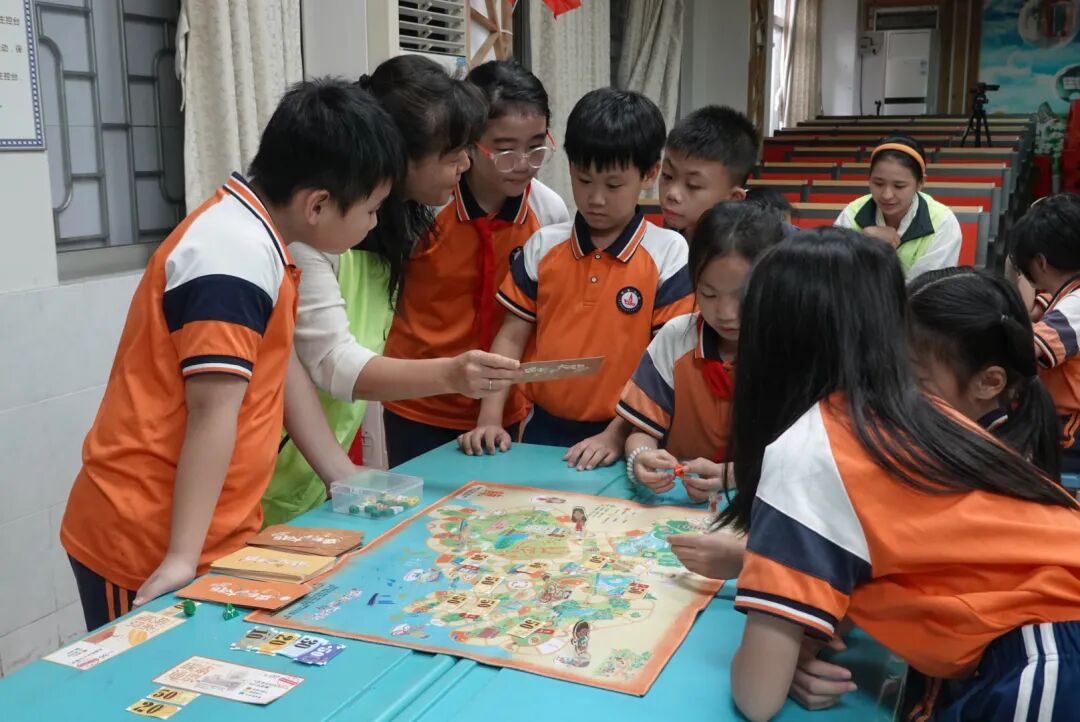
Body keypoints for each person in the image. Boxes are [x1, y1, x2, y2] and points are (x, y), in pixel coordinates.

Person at [60, 80, 403, 629]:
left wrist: (340, 472)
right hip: (148, 540)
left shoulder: (263, 240)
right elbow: (210, 413)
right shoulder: (232, 256)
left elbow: (276, 365)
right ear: (317, 204)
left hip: (212, 532)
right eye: (372, 209)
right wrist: (181, 557)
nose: (374, 224)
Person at [719, 227, 1080, 722]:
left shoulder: (811, 448)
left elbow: (757, 698)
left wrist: (769, 659)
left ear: (769, 343)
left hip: (1048, 657)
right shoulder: (904, 409)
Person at [262, 55, 521, 524]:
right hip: (270, 473)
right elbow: (332, 363)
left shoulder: (395, 224)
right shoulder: (311, 237)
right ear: (399, 159)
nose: (465, 164)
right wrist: (451, 373)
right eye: (452, 155)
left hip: (317, 468)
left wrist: (340, 471)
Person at [458, 88, 694, 469]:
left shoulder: (669, 253)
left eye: (613, 185)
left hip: (631, 433)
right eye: (584, 180)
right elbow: (511, 337)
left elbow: (665, 362)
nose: (596, 198)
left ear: (650, 174)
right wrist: (489, 418)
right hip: (543, 430)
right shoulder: (543, 245)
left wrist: (616, 434)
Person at [381, 59, 570, 467]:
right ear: (468, 142)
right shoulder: (426, 205)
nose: (523, 163)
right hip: (420, 403)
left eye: (536, 147)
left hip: (505, 409)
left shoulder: (548, 212)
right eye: (505, 149)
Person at [620, 202, 782, 500]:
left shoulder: (791, 348)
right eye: (708, 294)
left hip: (761, 502)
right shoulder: (675, 338)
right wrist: (641, 457)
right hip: (677, 499)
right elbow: (642, 432)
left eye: (743, 296)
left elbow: (804, 458)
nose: (726, 314)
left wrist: (736, 474)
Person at [907, 267, 1061, 479]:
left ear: (989, 382)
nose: (893, 388)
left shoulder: (991, 476)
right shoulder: (950, 443)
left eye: (916, 379)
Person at [1008, 193, 1080, 476]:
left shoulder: (1076, 305)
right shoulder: (1063, 294)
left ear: (1040, 262)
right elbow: (1027, 313)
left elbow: (1028, 347)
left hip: (1071, 432)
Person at [834, 135, 962, 278]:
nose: (887, 195)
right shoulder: (851, 214)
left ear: (920, 183)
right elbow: (835, 277)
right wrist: (861, 243)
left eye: (899, 186)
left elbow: (929, 286)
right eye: (878, 183)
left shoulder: (942, 222)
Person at [658, 105, 757, 241]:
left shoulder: (740, 252)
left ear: (733, 199)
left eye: (693, 185)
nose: (672, 194)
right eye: (667, 175)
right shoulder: (664, 238)